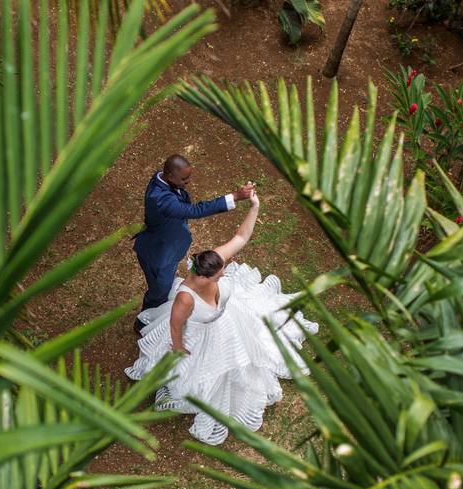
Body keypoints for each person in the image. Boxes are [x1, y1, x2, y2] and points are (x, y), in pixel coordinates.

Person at [125, 190, 318, 445]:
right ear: (203, 277)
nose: (223, 276)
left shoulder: (213, 261)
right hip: (202, 334)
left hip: (233, 319)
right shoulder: (186, 298)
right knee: (206, 375)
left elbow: (241, 237)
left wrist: (254, 206)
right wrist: (180, 348)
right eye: (218, 276)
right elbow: (175, 324)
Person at [133, 155, 255, 335]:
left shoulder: (160, 178)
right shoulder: (161, 200)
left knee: (163, 286)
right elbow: (194, 210)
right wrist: (235, 196)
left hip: (167, 244)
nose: (188, 182)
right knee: (159, 290)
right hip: (159, 255)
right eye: (184, 179)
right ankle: (144, 322)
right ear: (169, 176)